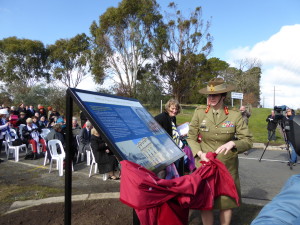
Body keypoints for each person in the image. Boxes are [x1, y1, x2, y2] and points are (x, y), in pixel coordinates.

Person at [187, 78, 253, 225]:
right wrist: (199, 153)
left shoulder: (234, 115)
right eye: (209, 95)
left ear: (223, 96)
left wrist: (233, 143)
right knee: (205, 202)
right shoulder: (199, 113)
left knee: (226, 203)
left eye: (215, 95)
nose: (211, 98)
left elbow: (248, 140)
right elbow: (191, 138)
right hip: (205, 164)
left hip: (226, 166)